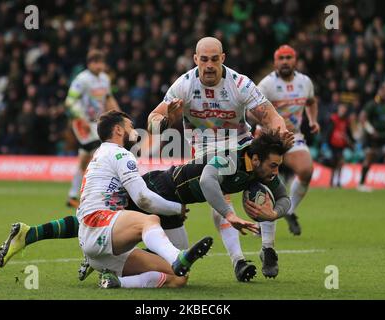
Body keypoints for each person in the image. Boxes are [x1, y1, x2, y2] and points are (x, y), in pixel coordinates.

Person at [0, 130, 290, 280]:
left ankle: (47, 240)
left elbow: (285, 197)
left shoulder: (263, 170)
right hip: (161, 189)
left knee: (165, 264)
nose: (275, 172)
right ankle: (95, 260)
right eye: (273, 166)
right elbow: (207, 183)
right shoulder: (230, 156)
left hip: (175, 200)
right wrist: (231, 215)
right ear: (256, 157)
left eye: (278, 167)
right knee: (167, 261)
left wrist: (273, 212)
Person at [147, 37, 292, 281]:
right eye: (204, 59)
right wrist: (163, 122)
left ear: (223, 58)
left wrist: (281, 132)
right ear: (196, 60)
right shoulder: (184, 85)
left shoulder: (239, 84)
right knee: (219, 200)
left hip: (241, 145)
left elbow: (271, 116)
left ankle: (267, 248)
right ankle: (238, 261)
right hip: (205, 151)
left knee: (264, 185)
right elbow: (152, 121)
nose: (210, 65)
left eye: (215, 59)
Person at [257, 44, 319, 236]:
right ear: (275, 62)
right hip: (268, 137)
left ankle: (289, 211)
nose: (285, 61)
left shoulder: (305, 82)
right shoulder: (266, 84)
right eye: (281, 58)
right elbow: (253, 110)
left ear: (295, 60)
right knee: (261, 179)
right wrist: (272, 124)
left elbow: (311, 101)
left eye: (288, 58)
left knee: (306, 170)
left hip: (293, 137)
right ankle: (261, 220)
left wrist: (313, 120)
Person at [65, 49, 120, 208]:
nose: (99, 66)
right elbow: (70, 101)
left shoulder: (104, 79)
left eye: (101, 62)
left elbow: (108, 98)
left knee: (84, 158)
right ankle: (98, 194)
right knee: (99, 149)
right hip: (82, 122)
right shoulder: (81, 79)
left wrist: (120, 114)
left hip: (97, 122)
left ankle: (73, 195)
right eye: (96, 62)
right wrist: (80, 118)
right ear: (90, 63)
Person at [326, 104, 354, 187]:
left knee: (340, 163)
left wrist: (352, 141)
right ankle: (332, 181)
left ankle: (337, 181)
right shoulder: (333, 119)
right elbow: (328, 132)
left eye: (344, 110)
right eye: (341, 109)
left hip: (341, 145)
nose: (343, 111)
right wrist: (326, 142)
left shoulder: (346, 121)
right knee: (335, 164)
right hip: (333, 145)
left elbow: (348, 132)